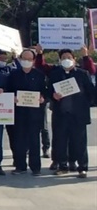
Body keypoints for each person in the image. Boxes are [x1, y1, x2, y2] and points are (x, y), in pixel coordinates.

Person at [35, 44, 96, 175]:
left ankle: (82, 167)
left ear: (74, 59)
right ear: (60, 60)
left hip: (78, 115)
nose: (66, 59)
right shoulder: (55, 74)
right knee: (60, 141)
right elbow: (49, 90)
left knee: (79, 142)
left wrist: (83, 100)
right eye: (63, 57)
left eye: (69, 57)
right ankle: (62, 166)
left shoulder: (82, 74)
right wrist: (53, 95)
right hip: (60, 114)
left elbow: (91, 93)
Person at [7, 49, 48, 175]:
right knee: (19, 141)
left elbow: (46, 91)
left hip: (34, 114)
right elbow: (7, 90)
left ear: (34, 61)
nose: (26, 61)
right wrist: (11, 97)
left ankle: (35, 168)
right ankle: (20, 166)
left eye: (29, 59)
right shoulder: (13, 75)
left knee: (34, 141)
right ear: (20, 59)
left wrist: (43, 98)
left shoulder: (40, 75)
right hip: (18, 113)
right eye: (24, 59)